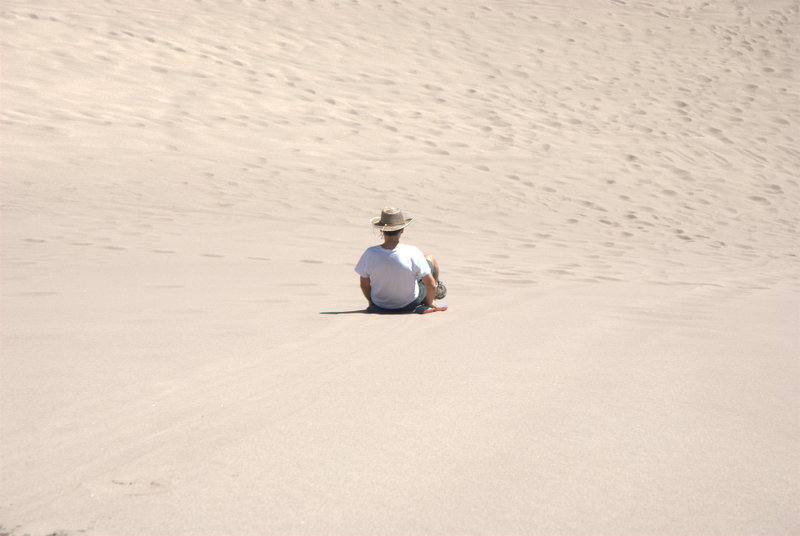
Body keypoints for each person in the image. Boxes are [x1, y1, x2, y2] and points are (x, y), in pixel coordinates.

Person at [355, 208, 446, 313]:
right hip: (409, 304)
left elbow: (364, 284)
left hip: (380, 304)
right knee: (430, 258)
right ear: (402, 230)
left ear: (381, 230)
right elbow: (431, 284)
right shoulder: (412, 252)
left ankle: (427, 298)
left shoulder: (369, 253)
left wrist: (371, 302)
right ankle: (430, 299)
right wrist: (430, 303)